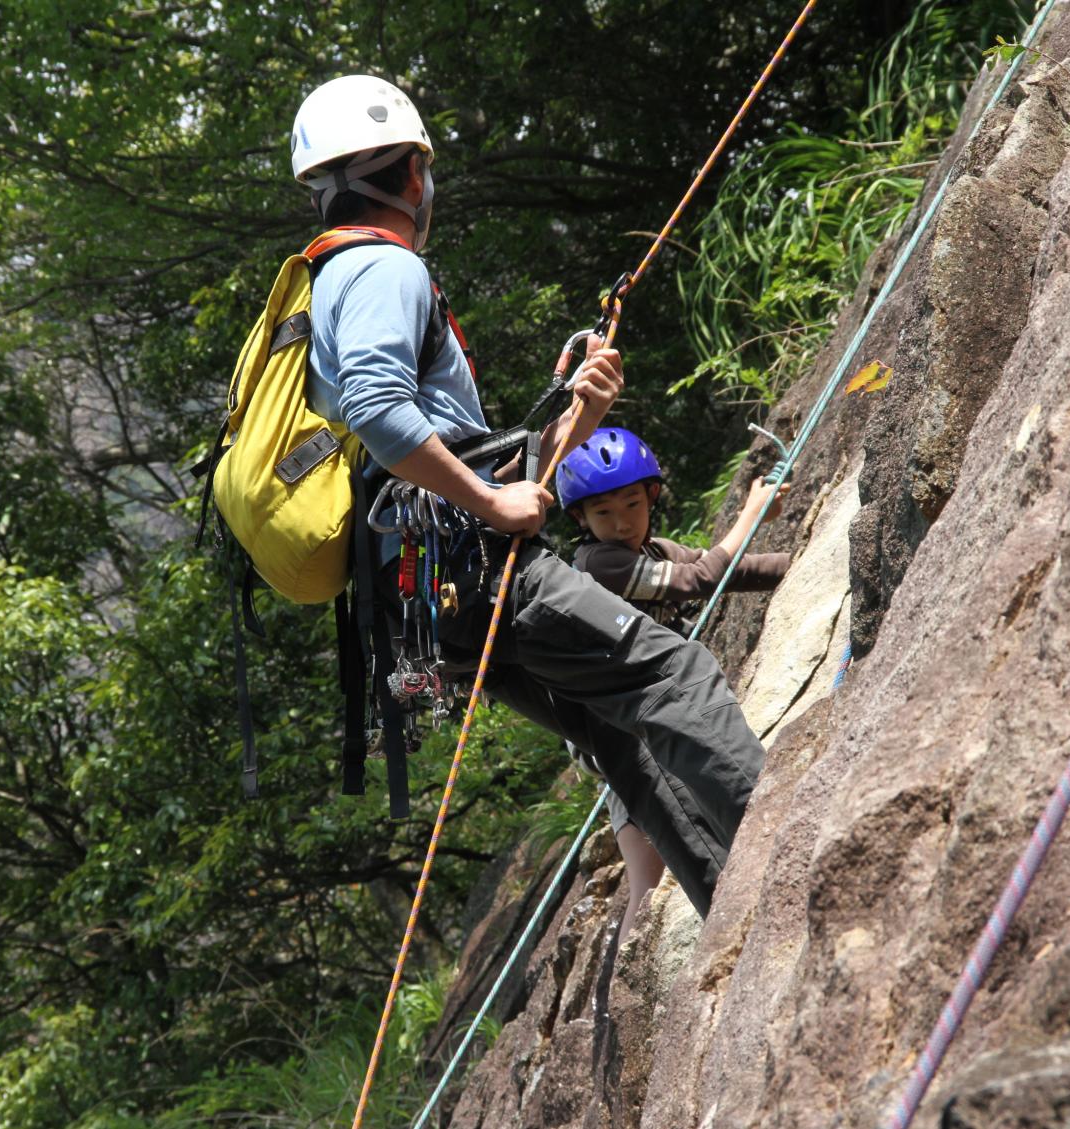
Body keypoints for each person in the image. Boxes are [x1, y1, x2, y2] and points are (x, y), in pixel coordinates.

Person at [292, 74, 769, 918]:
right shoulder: (382, 267)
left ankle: (738, 903)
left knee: (616, 728)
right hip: (470, 562)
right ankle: (792, 858)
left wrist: (570, 417)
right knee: (678, 675)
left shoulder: (326, 279)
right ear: (411, 176)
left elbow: (425, 437)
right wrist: (490, 504)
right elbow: (376, 407)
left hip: (429, 590)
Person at [556, 427, 790, 940]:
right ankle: (630, 989)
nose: (621, 524)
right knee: (646, 872)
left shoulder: (653, 551)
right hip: (619, 735)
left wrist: (798, 565)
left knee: (659, 859)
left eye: (633, 504)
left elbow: (727, 570)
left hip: (646, 720)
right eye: (603, 514)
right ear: (580, 519)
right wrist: (749, 517)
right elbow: (699, 581)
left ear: (652, 496)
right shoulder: (598, 564)